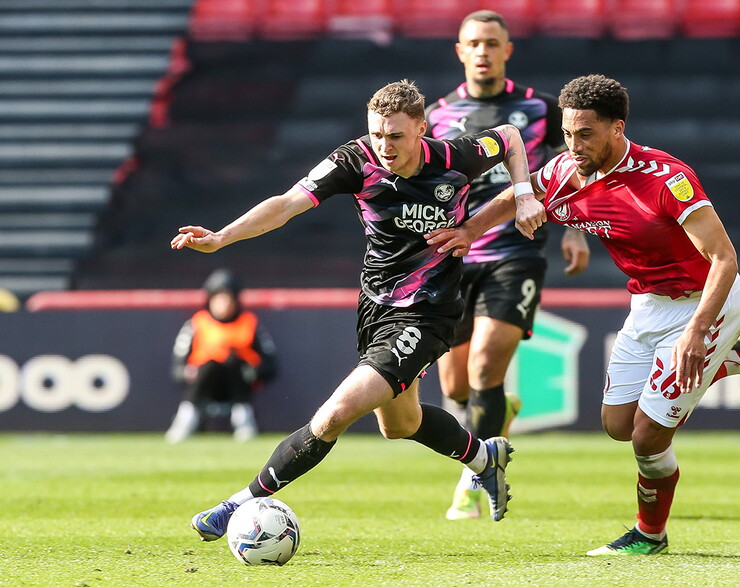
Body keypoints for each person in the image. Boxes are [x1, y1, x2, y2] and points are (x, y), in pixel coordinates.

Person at [427, 74, 740, 555]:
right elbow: (518, 195)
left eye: (586, 134)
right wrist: (470, 231)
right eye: (568, 132)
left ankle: (649, 535)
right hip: (647, 304)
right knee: (617, 424)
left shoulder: (665, 179)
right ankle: (736, 360)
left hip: (707, 303)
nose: (573, 144)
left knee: (646, 438)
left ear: (618, 128)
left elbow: (725, 258)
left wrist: (697, 333)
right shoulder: (564, 173)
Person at [171, 79, 532, 540]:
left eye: (397, 136)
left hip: (429, 312)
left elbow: (511, 139)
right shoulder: (354, 160)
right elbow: (285, 205)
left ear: (422, 128)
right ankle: (485, 457)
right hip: (375, 307)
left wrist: (523, 195)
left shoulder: (455, 157)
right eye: (377, 134)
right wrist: (222, 237)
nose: (385, 146)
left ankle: (235, 505)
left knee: (334, 415)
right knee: (401, 424)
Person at [424, 9, 591, 521]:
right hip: (454, 256)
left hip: (515, 253)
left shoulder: (539, 108)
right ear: (460, 50)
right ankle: (500, 414)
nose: (482, 51)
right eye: (473, 43)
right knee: (454, 387)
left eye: (492, 43)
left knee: (483, 369)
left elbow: (578, 168)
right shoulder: (436, 115)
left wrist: (576, 228)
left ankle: (472, 482)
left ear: (507, 50)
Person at [165, 268, 277, 443]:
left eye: (228, 298)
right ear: (210, 300)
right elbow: (178, 366)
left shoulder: (249, 323)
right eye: (219, 299)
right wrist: (188, 373)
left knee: (233, 362)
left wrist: (253, 371)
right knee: (210, 364)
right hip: (204, 383)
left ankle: (243, 421)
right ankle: (186, 419)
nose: (223, 304)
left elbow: (270, 364)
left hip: (238, 382)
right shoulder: (197, 323)